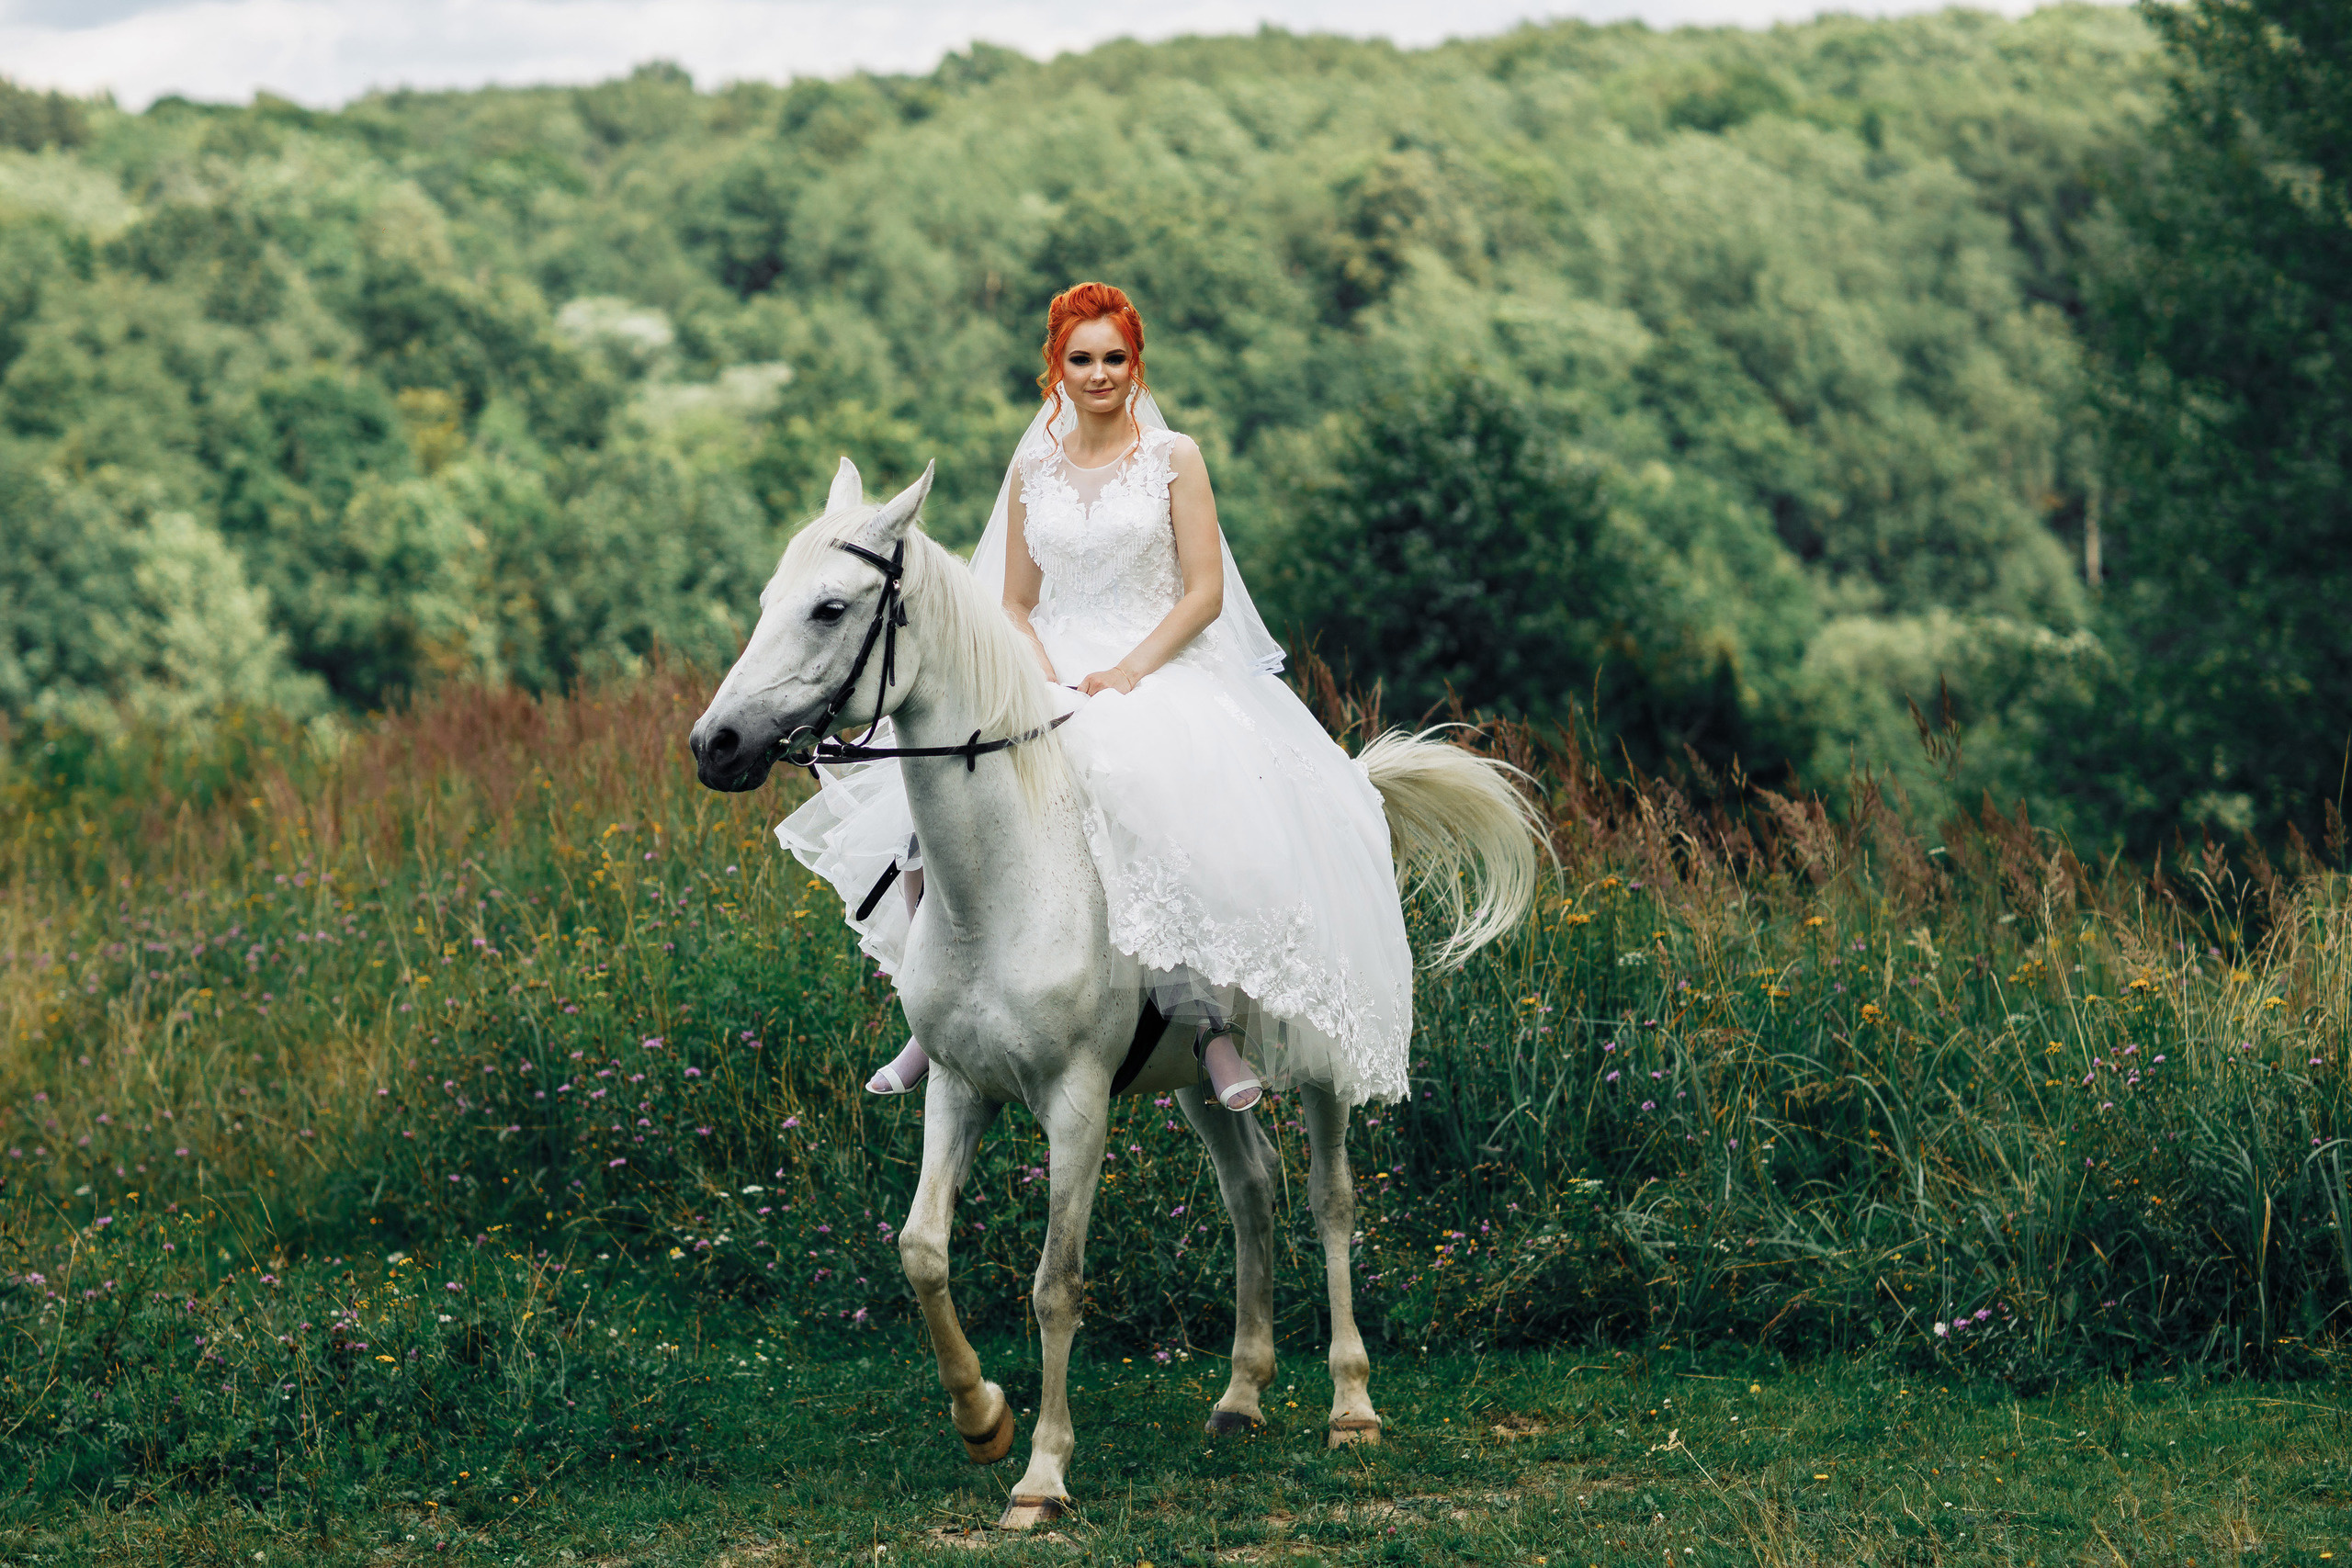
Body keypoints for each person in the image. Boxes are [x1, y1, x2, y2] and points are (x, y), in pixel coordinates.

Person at [780, 282, 1413, 1112]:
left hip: (1159, 660)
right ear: (1058, 368)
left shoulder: (1172, 457)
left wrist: (1127, 671)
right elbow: (1012, 602)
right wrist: (1035, 672)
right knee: (930, 794)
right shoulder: (1034, 467)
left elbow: (1203, 594)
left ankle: (1206, 1018)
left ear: (1134, 363)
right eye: (1082, 358)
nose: (1100, 372)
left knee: (1147, 782)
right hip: (1048, 664)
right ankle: (931, 1013)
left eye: (1115, 357)